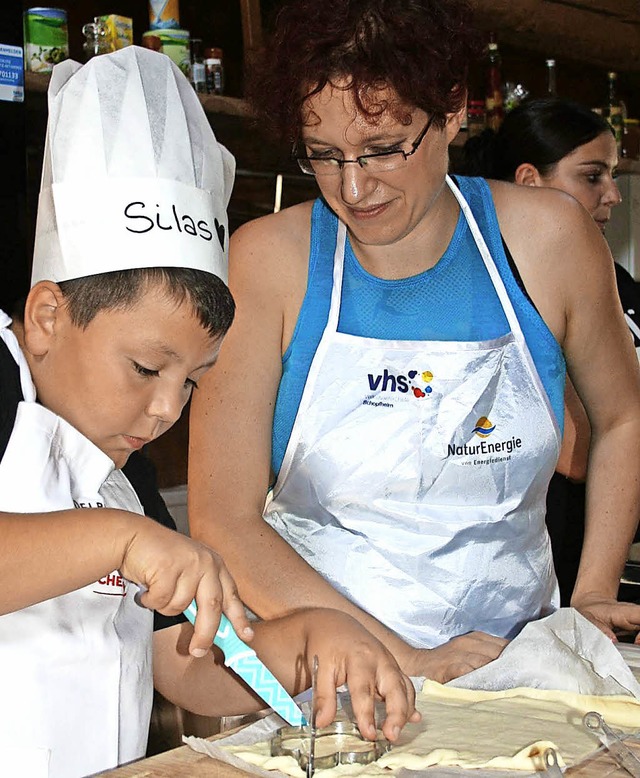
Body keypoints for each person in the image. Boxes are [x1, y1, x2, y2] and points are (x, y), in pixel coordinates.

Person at [188, 0, 640, 679]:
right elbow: (224, 519)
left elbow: (624, 417)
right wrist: (408, 659)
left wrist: (594, 591)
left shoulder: (549, 241)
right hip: (323, 679)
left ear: (452, 111)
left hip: (519, 668)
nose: (353, 186)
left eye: (382, 150)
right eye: (323, 156)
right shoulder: (268, 261)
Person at [0, 46, 419, 778]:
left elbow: (190, 666)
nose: (166, 408)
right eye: (144, 367)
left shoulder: (120, 482)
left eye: (193, 380)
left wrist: (300, 646)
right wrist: (122, 542)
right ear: (44, 316)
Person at [460, 97, 640, 605]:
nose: (613, 195)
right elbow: (576, 448)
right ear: (529, 179)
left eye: (612, 174)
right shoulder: (496, 290)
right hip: (553, 541)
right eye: (592, 176)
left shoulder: (616, 281)